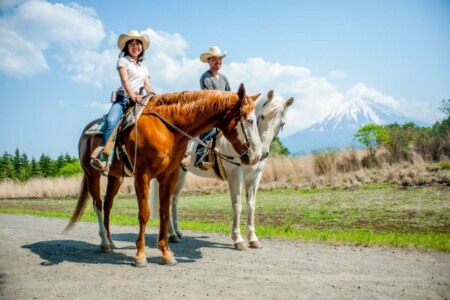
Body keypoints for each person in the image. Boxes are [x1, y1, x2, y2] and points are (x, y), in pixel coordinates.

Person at [91, 30, 152, 172]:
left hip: (140, 100)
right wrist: (132, 96)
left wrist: (154, 96)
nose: (135, 46)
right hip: (124, 99)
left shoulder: (143, 68)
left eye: (138, 43)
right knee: (112, 122)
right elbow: (124, 80)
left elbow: (147, 85)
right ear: (127, 47)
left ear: (142, 48)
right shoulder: (123, 61)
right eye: (132, 44)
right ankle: (105, 159)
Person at [195, 46, 231, 169]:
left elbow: (229, 95)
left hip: (224, 112)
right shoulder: (206, 77)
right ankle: (200, 158)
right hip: (211, 112)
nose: (218, 61)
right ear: (208, 61)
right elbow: (211, 98)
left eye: (219, 59)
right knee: (209, 130)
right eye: (214, 59)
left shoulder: (224, 78)